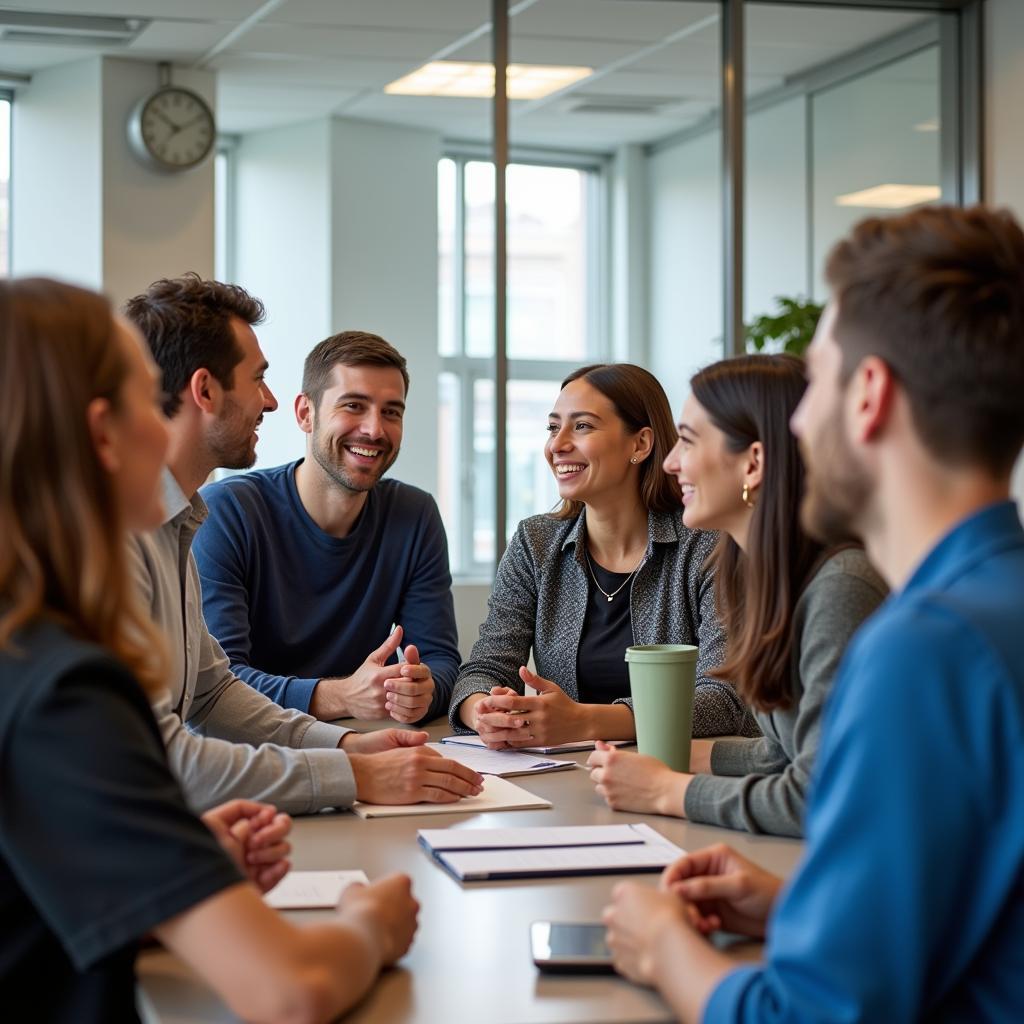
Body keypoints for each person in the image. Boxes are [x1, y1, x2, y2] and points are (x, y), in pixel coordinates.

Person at [602, 205, 1024, 1021]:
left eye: (818, 379)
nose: (797, 420)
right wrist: (802, 908)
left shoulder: (926, 649)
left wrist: (663, 946)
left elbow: (807, 1015)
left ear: (869, 397)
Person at [0, 277, 420, 1022]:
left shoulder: (39, 632)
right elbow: (292, 990)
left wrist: (171, 847)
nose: (161, 425)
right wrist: (371, 923)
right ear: (103, 432)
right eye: (142, 398)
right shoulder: (60, 683)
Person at [123, 277, 482, 815]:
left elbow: (213, 692)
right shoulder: (120, 533)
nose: (266, 400)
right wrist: (353, 772)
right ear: (205, 391)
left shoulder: (178, 520)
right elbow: (158, 757)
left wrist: (346, 744)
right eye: (258, 378)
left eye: (392, 410)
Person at [588, 355, 885, 836]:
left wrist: (667, 790)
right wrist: (662, 759)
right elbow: (781, 754)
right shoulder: (767, 576)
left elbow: (821, 795)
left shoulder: (841, 588)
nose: (670, 463)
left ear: (753, 463)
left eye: (687, 441)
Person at [449, 363, 753, 749]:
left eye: (582, 426)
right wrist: (484, 712)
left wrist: (585, 721)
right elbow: (485, 668)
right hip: (568, 777)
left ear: (640, 444)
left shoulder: (708, 545)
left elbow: (727, 698)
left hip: (680, 778)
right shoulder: (535, 542)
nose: (556, 445)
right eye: (552, 427)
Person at [193, 330, 460, 725]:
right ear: (305, 413)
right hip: (254, 749)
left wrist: (421, 689)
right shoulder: (227, 511)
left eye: (392, 411)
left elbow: (440, 660)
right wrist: (340, 696)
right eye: (354, 405)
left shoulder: (414, 514)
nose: (374, 429)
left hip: (365, 740)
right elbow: (218, 682)